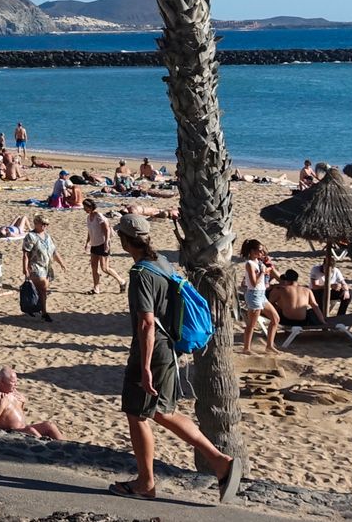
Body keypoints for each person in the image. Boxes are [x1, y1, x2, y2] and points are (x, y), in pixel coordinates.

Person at [112, 213, 243, 503]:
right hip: (170, 348)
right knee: (163, 411)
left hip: (153, 349)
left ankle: (145, 483)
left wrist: (144, 367)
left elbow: (146, 322)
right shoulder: (162, 263)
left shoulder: (141, 274)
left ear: (124, 240)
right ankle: (220, 460)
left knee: (137, 414)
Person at [0, 367, 63, 440]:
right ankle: (46, 448)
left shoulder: (12, 391)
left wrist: (23, 402)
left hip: (23, 428)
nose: (16, 385)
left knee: (49, 425)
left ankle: (67, 447)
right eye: (13, 382)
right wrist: (0, 406)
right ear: (2, 381)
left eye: (16, 381)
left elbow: (15, 412)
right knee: (31, 431)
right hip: (8, 432)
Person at [238, 238, 279, 355]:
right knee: (252, 324)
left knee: (275, 319)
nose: (262, 253)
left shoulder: (259, 262)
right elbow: (254, 282)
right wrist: (263, 273)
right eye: (259, 251)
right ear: (252, 251)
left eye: (262, 251)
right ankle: (246, 348)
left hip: (261, 294)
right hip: (254, 294)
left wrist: (267, 267)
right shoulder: (250, 264)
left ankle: (269, 345)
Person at [21, 214, 57, 322]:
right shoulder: (30, 236)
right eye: (43, 224)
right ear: (36, 224)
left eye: (46, 224)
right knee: (42, 288)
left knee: (41, 290)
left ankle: (38, 309)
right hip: (35, 266)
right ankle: (44, 312)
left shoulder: (47, 236)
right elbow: (26, 254)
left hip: (46, 266)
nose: (45, 226)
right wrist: (25, 268)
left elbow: (54, 251)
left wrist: (61, 263)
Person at [85, 200, 122, 293]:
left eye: (85, 207)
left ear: (90, 207)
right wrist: (87, 243)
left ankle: (121, 281)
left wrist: (106, 243)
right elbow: (90, 231)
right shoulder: (88, 217)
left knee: (104, 268)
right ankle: (96, 288)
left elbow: (106, 230)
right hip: (94, 244)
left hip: (102, 243)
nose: (84, 209)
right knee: (94, 266)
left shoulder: (99, 216)